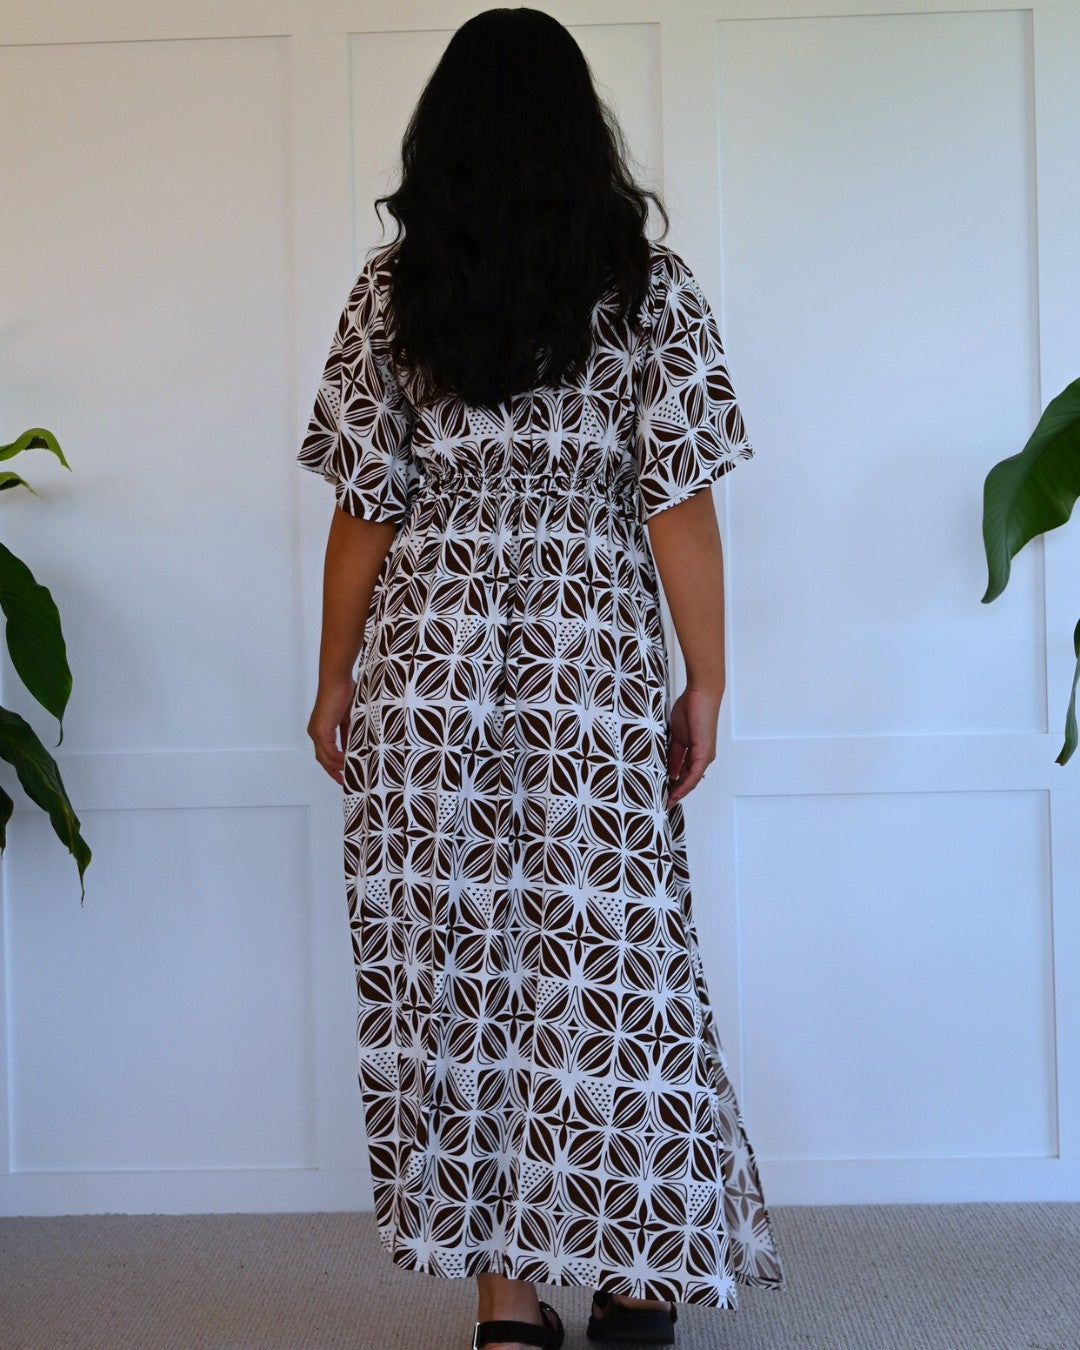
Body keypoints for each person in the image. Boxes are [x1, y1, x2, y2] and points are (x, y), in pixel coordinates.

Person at [298, 8, 785, 1349]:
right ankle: (632, 1287)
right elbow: (675, 502)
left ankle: (508, 1308)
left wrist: (336, 677)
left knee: (453, 975)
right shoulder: (648, 286)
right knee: (611, 977)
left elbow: (365, 508)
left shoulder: (395, 291)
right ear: (586, 134)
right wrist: (708, 682)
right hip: (587, 672)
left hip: (425, 673)